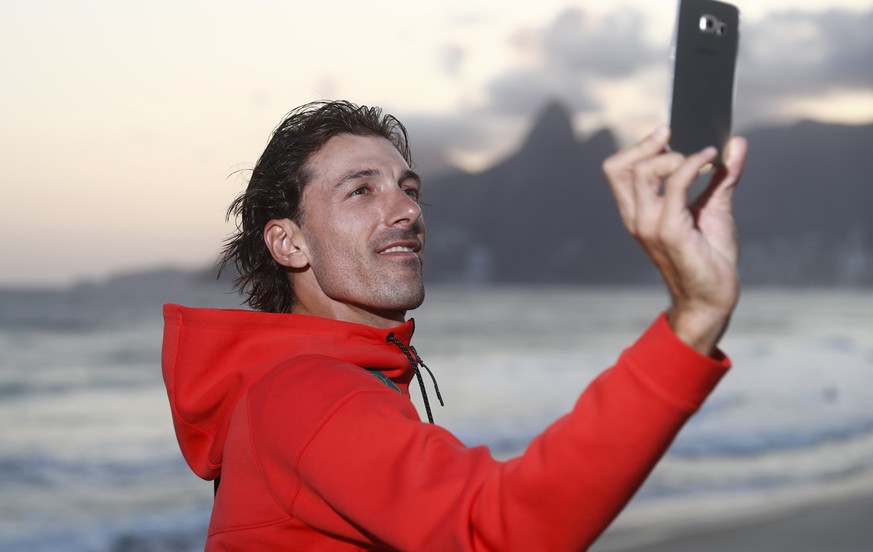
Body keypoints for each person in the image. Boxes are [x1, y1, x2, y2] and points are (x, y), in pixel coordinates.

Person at [161, 100, 748, 550]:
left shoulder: (309, 384)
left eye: (408, 189)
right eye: (361, 190)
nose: (408, 211)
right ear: (289, 243)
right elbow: (498, 529)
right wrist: (692, 318)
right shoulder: (307, 393)